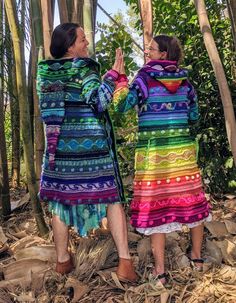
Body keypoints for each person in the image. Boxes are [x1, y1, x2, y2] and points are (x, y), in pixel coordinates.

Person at [36, 22, 137, 282]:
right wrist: (114, 74)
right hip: (91, 152)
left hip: (59, 151)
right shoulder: (85, 67)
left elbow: (61, 106)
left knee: (60, 201)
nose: (86, 44)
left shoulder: (45, 72)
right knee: (112, 199)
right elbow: (99, 102)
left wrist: (101, 82)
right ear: (70, 46)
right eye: (82, 40)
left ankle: (62, 262)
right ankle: (125, 263)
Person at [113, 35, 211, 284]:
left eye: (152, 49)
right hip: (182, 154)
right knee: (192, 201)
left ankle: (160, 271)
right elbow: (194, 115)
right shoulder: (186, 82)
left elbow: (121, 106)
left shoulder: (144, 80)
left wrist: (121, 79)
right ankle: (197, 257)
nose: (148, 51)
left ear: (163, 54)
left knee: (158, 209)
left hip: (154, 156)